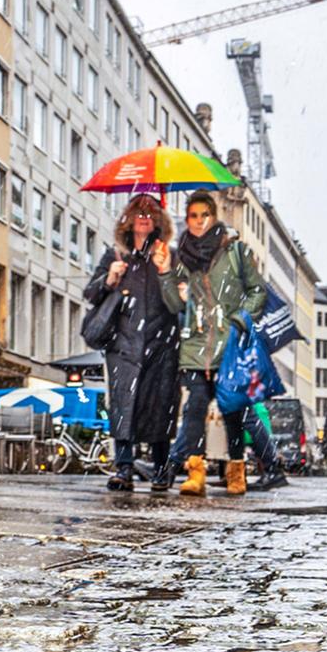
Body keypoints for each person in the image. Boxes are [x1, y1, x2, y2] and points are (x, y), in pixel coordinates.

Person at [160, 191, 284, 495]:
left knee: (234, 413)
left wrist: (240, 320)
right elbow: (174, 305)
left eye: (205, 215)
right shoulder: (182, 257)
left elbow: (258, 292)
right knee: (194, 412)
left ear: (213, 217)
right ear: (186, 220)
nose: (199, 221)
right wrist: (165, 274)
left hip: (229, 347)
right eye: (193, 216)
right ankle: (195, 473)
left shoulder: (235, 251)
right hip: (196, 348)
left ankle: (236, 472)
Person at [83, 193, 182, 493]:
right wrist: (109, 280)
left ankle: (162, 468)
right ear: (127, 217)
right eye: (138, 211)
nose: (143, 216)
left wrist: (165, 271)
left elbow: (177, 305)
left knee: (160, 406)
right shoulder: (115, 256)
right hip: (123, 346)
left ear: (158, 221)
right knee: (123, 405)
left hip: (161, 345)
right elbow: (90, 294)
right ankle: (123, 468)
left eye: (150, 211)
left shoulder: (169, 255)